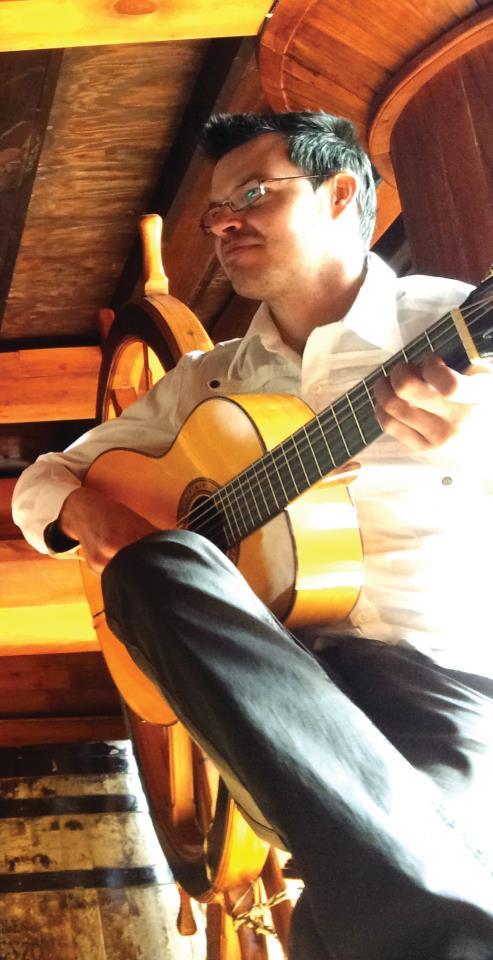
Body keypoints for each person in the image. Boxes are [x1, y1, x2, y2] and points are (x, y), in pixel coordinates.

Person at [12, 112, 493, 959]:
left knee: (365, 903)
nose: (222, 222)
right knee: (149, 571)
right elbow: (41, 484)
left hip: (434, 681)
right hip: (263, 679)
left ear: (340, 193)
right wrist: (101, 519)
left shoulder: (453, 326)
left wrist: (476, 438)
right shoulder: (208, 380)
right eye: (214, 210)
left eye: (252, 195)